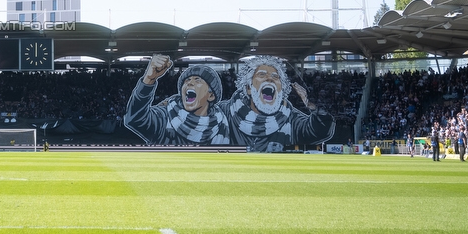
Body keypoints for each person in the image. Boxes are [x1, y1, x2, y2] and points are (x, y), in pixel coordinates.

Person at [126, 54, 334, 152]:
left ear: (282, 88)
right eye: (261, 74)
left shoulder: (291, 117)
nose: (270, 79)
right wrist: (148, 81)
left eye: (276, 77)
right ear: (247, 88)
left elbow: (318, 132)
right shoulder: (225, 115)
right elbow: (136, 119)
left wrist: (315, 107)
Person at [124, 55, 230, 145]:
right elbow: (134, 119)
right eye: (187, 80)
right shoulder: (164, 118)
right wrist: (148, 79)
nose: (189, 83)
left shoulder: (224, 123)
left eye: (197, 80)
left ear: (211, 96)